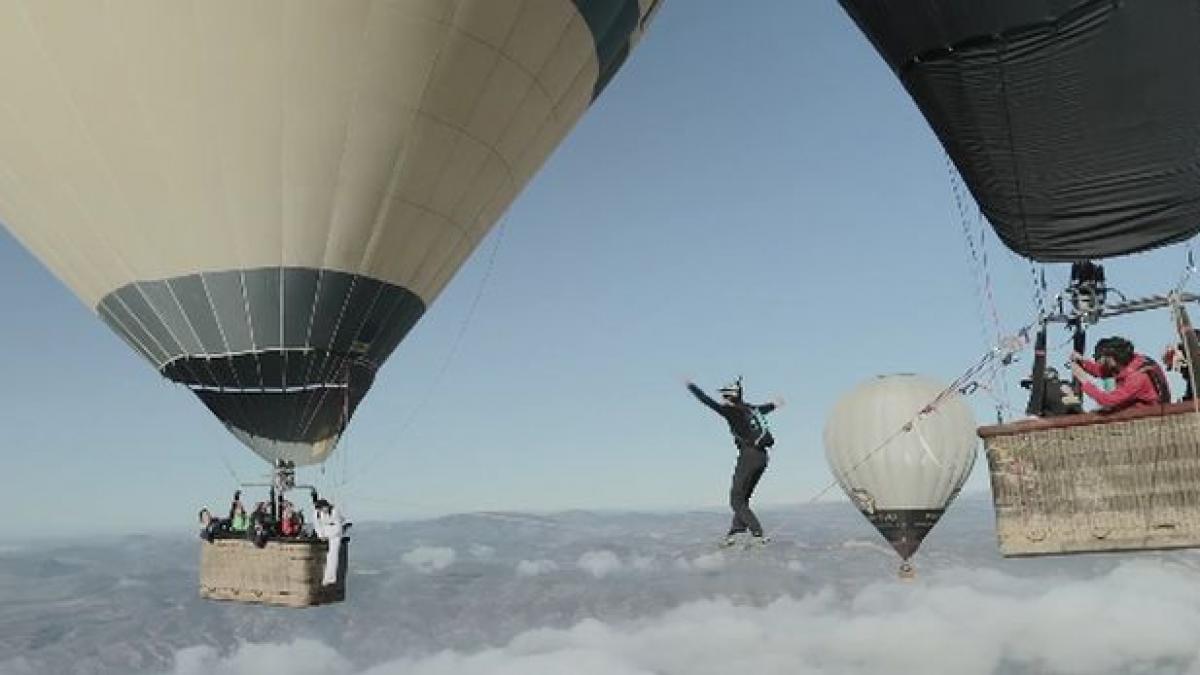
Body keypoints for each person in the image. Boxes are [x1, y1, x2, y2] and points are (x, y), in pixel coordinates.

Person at [685, 377, 782, 547]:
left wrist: (690, 385)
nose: (722, 399)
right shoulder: (751, 409)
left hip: (748, 456)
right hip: (762, 457)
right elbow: (766, 408)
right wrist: (775, 404)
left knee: (735, 499)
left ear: (729, 397)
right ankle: (735, 532)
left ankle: (757, 534)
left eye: (724, 396)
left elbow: (705, 400)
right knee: (743, 496)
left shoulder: (731, 412)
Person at [1070, 336, 1170, 411]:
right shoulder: (1132, 362)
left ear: (1110, 358)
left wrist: (1084, 381)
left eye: (1099, 359)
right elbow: (1101, 371)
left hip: (1147, 416)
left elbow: (1107, 401)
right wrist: (1082, 362)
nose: (1098, 363)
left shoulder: (1137, 378)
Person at [311, 492, 346, 586]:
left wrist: (332, 534)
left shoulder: (334, 511)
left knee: (333, 555)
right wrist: (321, 535)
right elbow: (317, 525)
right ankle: (326, 577)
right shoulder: (317, 513)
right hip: (325, 530)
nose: (323, 510)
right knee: (325, 555)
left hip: (334, 532)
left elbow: (338, 525)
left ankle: (330, 577)